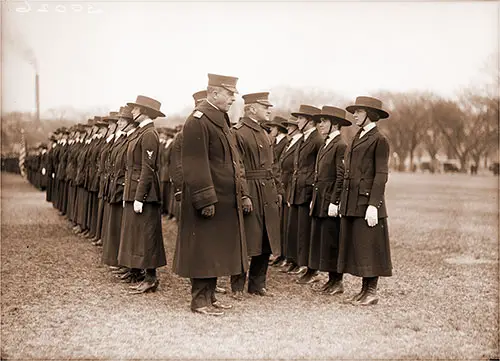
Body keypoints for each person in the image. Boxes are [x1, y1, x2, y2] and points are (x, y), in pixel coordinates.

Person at [173, 73, 250, 316]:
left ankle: (211, 295)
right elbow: (195, 164)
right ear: (214, 93)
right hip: (208, 199)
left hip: (224, 199)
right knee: (203, 250)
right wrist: (205, 198)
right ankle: (199, 301)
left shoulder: (220, 119)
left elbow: (233, 161)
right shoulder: (197, 120)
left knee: (214, 249)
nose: (232, 99)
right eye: (229, 94)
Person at [338, 96, 392, 306]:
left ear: (370, 115)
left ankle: (371, 291)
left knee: (371, 245)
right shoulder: (357, 136)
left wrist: (373, 205)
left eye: (358, 112)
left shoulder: (379, 140)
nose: (354, 115)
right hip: (353, 201)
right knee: (361, 246)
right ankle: (364, 290)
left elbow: (381, 174)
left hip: (367, 202)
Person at [231, 92, 281, 300]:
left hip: (267, 190)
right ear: (252, 109)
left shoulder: (264, 132)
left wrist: (277, 190)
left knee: (266, 238)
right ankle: (237, 286)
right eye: (264, 106)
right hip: (250, 188)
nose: (269, 110)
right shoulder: (238, 133)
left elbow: (273, 165)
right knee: (245, 239)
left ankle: (257, 284)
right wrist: (244, 195)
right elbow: (238, 167)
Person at [118, 95, 167, 294]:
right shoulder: (141, 132)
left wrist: (140, 197)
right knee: (137, 234)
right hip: (134, 188)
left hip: (144, 191)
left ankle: (151, 277)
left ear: (145, 112)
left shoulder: (149, 134)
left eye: (136, 109)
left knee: (147, 236)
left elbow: (148, 169)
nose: (133, 112)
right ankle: (139, 272)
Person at [308, 106, 351, 294]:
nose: (320, 125)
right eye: (319, 121)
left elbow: (341, 176)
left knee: (332, 241)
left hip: (330, 200)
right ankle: (331, 279)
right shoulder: (327, 143)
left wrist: (335, 201)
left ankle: (337, 281)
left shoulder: (340, 145)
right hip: (321, 199)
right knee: (324, 240)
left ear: (335, 124)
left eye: (324, 121)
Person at [286, 105, 323, 284]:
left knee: (307, 231)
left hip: (308, 192)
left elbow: (319, 168)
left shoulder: (317, 140)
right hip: (297, 190)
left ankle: (312, 269)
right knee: (299, 230)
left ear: (310, 120)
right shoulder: (302, 139)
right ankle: (302, 264)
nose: (297, 121)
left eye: (300, 118)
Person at [262, 115, 289, 267]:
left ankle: (282, 255)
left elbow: (277, 165)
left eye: (272, 128)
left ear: (278, 129)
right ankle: (279, 254)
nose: (271, 130)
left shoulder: (283, 142)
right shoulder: (276, 142)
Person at [278, 116, 302, 274]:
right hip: (286, 185)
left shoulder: (299, 141)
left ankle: (295, 260)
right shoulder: (290, 142)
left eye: (290, 126)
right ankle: (288, 257)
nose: (288, 128)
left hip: (294, 187)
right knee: (287, 224)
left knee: (293, 225)